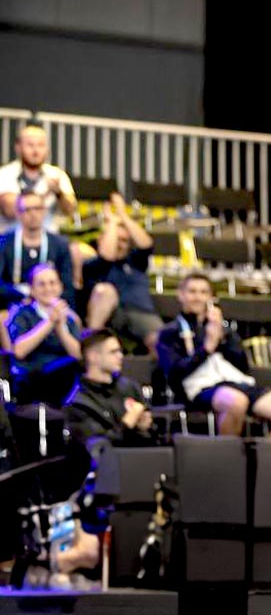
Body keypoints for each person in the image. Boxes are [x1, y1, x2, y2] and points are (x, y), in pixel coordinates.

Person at [156, 272, 271, 438]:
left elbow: (242, 364)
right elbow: (174, 373)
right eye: (192, 291)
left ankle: (263, 457)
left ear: (210, 297)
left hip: (238, 384)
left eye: (203, 292)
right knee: (236, 402)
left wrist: (223, 339)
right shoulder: (170, 332)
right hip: (200, 389)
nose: (198, 297)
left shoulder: (223, 329)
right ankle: (229, 459)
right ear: (181, 295)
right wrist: (206, 349)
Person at [63, 328, 158, 463]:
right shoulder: (78, 403)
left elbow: (151, 432)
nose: (120, 356)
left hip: (141, 462)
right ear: (93, 356)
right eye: (113, 352)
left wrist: (146, 427)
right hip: (107, 474)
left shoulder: (130, 388)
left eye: (120, 351)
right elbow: (98, 450)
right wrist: (127, 424)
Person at [81, 193, 161, 352]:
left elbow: (146, 244)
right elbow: (106, 256)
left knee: (161, 340)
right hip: (110, 315)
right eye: (116, 239)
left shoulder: (136, 262)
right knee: (105, 291)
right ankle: (90, 347)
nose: (120, 244)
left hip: (140, 312)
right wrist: (111, 223)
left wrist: (122, 215)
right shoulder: (93, 264)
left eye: (124, 240)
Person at [6, 264, 83, 406]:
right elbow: (19, 351)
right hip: (31, 375)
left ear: (60, 287)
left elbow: (78, 355)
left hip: (64, 375)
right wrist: (49, 322)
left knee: (77, 366)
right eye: (41, 284)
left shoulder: (69, 318)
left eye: (52, 283)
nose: (48, 288)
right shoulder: (21, 313)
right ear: (32, 290)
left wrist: (60, 328)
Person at [0, 192, 76, 309]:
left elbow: (67, 286)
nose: (33, 214)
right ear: (18, 213)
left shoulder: (60, 244)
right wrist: (23, 294)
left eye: (37, 208)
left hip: (52, 306)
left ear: (44, 211)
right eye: (27, 210)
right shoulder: (4, 243)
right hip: (13, 304)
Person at [0, 125, 77, 234]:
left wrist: (59, 193)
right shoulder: (4, 174)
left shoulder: (57, 174)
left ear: (47, 149)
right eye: (30, 145)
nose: (36, 151)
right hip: (7, 240)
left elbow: (70, 211)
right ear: (18, 147)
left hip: (49, 240)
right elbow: (9, 210)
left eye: (41, 145)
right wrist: (45, 195)